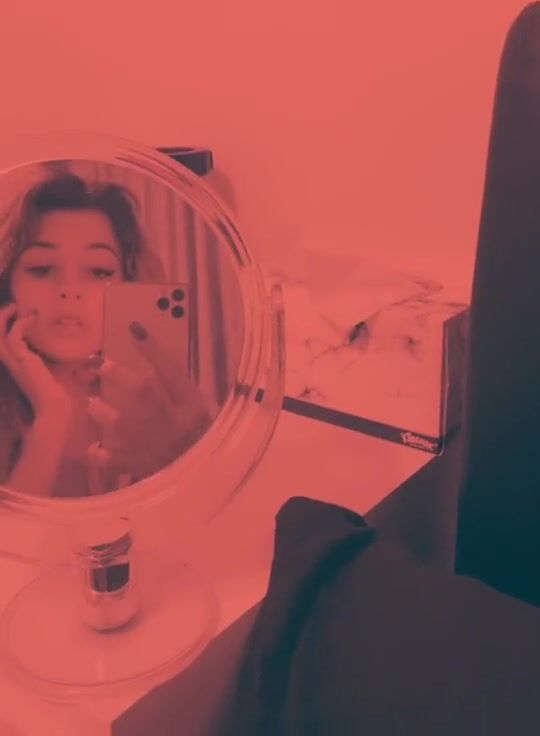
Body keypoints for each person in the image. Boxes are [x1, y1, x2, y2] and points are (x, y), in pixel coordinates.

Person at [0, 172, 211, 498]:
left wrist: (188, 456)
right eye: (41, 269)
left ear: (129, 284)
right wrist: (51, 418)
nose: (69, 290)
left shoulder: (170, 413)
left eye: (98, 271)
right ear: (7, 286)